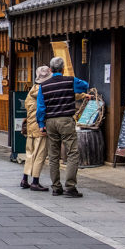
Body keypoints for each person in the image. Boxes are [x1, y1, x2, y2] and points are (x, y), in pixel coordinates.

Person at [37, 56, 91, 198]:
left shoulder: (43, 86)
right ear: (63, 68)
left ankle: (56, 187)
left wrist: (41, 124)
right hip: (66, 120)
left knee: (53, 155)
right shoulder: (70, 81)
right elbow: (85, 85)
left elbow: (41, 108)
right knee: (72, 153)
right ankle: (70, 187)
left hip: (50, 122)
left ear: (50, 69)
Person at [20, 66, 51, 191]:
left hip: (30, 126)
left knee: (29, 153)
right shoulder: (44, 91)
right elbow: (42, 110)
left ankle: (24, 179)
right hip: (40, 125)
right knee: (39, 153)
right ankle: (35, 181)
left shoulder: (32, 89)